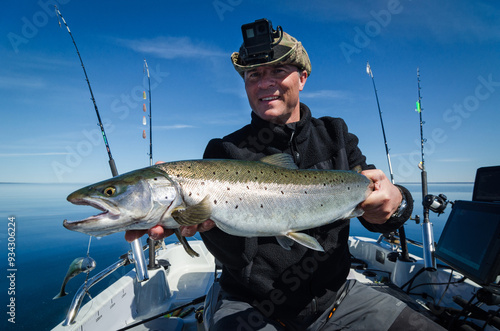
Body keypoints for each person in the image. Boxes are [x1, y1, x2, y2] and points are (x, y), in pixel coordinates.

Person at [127, 20, 445, 330]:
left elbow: (382, 208)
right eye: (254, 75)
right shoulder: (224, 151)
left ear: (302, 77)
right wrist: (209, 225)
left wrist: (397, 201)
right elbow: (240, 258)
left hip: (337, 299)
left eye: (278, 71)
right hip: (251, 306)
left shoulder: (336, 134)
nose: (265, 82)